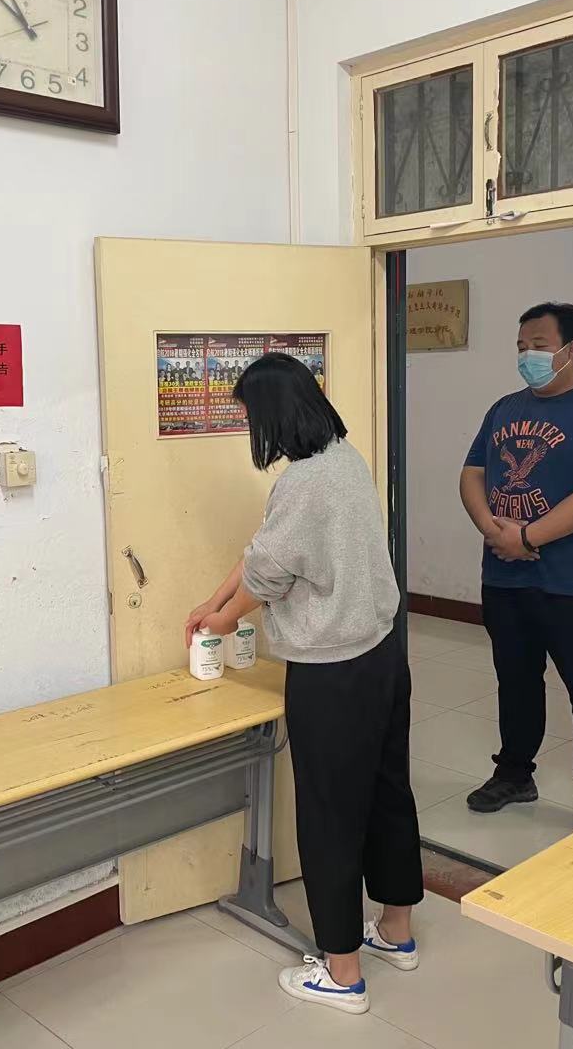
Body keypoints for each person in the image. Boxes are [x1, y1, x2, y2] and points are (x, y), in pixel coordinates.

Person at [186, 353, 422, 1016]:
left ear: (273, 416)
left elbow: (267, 574)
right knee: (387, 792)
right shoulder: (345, 460)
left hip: (332, 672)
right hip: (382, 655)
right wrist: (215, 601)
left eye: (249, 420)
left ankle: (342, 973)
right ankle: (396, 931)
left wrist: (221, 621)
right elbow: (264, 551)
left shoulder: (302, 483)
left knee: (328, 813)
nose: (250, 432)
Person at [458, 301, 573, 831]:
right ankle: (514, 773)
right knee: (514, 680)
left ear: (569, 349)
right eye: (521, 346)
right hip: (505, 577)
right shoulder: (503, 409)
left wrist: (527, 537)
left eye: (538, 345)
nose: (527, 355)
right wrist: (493, 530)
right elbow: (472, 473)